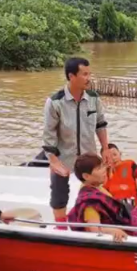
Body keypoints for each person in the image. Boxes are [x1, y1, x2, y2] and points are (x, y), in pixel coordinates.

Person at [42, 57, 112, 226]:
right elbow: (49, 134)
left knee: (96, 189)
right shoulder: (55, 102)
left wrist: (105, 148)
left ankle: (93, 223)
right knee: (59, 193)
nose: (89, 78)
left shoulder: (94, 98)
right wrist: (53, 161)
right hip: (63, 156)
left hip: (88, 155)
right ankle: (60, 227)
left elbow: (100, 124)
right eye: (84, 74)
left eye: (90, 74)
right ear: (71, 76)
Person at [67, 153, 130, 242]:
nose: (104, 170)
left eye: (103, 166)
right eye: (99, 168)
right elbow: (94, 230)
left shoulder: (96, 187)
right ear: (86, 176)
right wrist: (115, 231)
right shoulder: (90, 203)